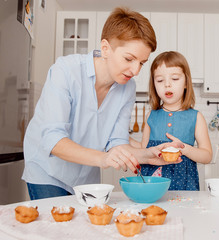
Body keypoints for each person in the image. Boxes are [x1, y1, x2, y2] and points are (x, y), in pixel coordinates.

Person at [22, 7, 182, 200]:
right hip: (47, 170)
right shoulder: (65, 71)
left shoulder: (127, 88)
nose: (135, 70)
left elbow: (117, 142)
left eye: (141, 62)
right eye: (129, 59)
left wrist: (147, 155)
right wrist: (103, 158)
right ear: (105, 48)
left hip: (85, 176)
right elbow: (53, 141)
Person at [130, 51, 212, 190]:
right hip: (151, 183)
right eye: (160, 80)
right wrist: (124, 138)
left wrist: (183, 148)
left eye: (174, 78)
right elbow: (144, 149)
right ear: (154, 85)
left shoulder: (196, 117)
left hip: (184, 185)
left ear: (186, 83)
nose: (167, 85)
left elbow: (207, 156)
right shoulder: (151, 115)